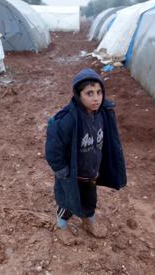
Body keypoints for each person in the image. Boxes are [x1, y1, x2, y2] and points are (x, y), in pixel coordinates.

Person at [45, 68, 127, 245]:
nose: (96, 98)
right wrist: (62, 171)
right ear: (78, 94)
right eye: (89, 93)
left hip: (91, 171)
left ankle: (88, 221)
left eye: (99, 92)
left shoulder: (102, 114)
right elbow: (53, 149)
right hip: (71, 173)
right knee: (67, 201)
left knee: (90, 198)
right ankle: (61, 226)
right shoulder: (67, 120)